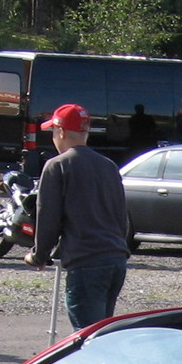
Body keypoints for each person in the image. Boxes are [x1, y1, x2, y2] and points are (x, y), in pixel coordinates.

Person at [24, 103, 130, 331]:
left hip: (87, 260)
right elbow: (122, 217)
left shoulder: (57, 166)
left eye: (53, 131)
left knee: (87, 337)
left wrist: (39, 255)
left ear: (60, 131)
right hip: (115, 258)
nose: (53, 136)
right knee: (102, 331)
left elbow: (48, 217)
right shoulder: (108, 166)